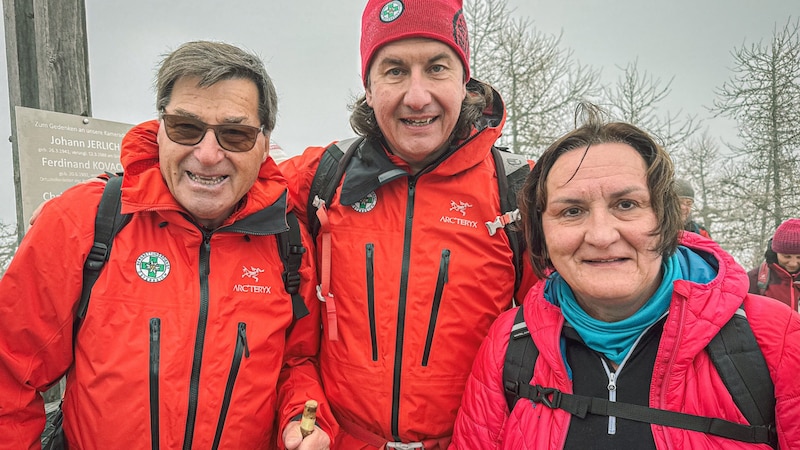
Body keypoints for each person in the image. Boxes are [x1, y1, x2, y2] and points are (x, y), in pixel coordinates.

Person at [0, 41, 334, 450]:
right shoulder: (83, 222)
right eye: (186, 128)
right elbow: (9, 371)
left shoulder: (288, 243)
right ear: (159, 130)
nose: (208, 154)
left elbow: (294, 362)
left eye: (235, 134)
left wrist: (299, 417)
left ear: (264, 144)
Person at [449, 104, 800, 449]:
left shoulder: (775, 339)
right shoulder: (508, 344)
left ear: (663, 219)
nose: (601, 236)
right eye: (572, 211)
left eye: (626, 205)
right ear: (541, 235)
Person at [748, 218, 800, 310]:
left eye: (799, 257)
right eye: (786, 257)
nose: (793, 263)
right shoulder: (754, 279)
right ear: (776, 252)